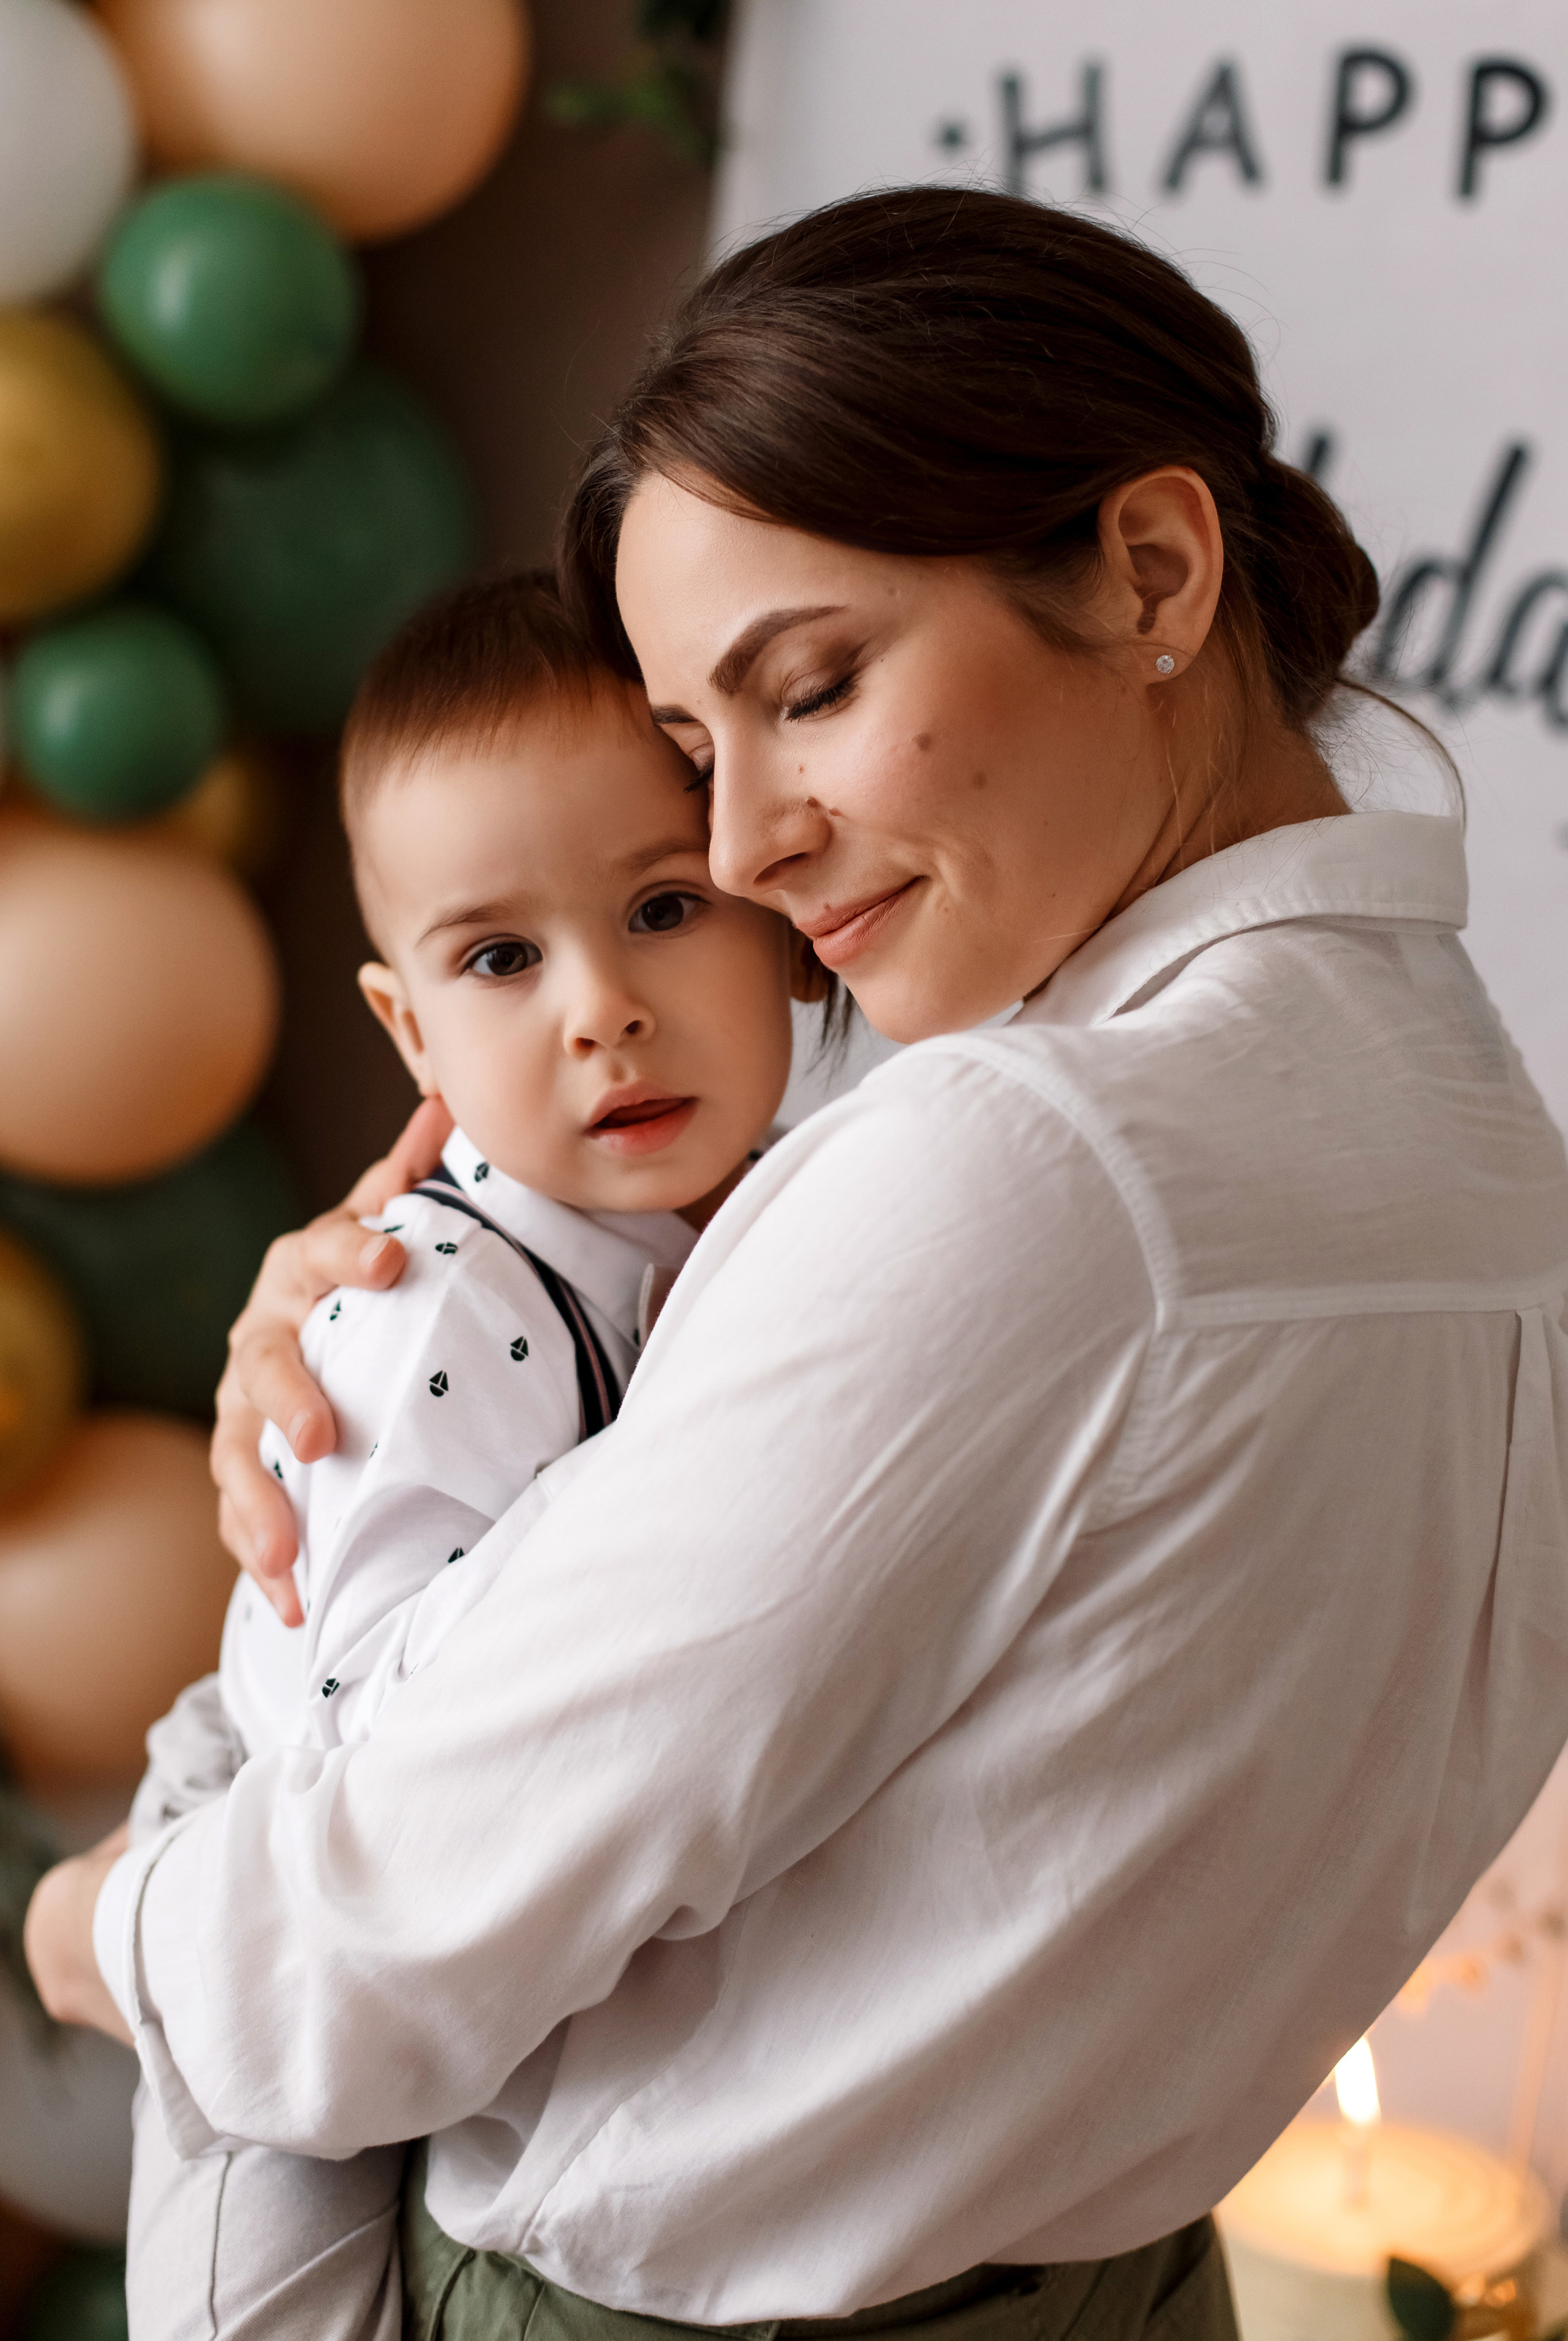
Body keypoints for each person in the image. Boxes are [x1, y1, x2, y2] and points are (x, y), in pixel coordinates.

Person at [28, 187, 1568, 2341]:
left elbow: (344, 1976)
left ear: (1153, 572)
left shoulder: (1025, 1170)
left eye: (813, 688)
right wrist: (457, 1323)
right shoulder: (1493, 1153)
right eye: (694, 754)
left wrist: (98, 1922)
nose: (742, 847)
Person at [121, 570, 802, 2341]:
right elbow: (369, 1759)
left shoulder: (763, 1221)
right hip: (273, 1857)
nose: (603, 1011)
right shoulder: (433, 1314)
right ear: (409, 1029)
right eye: (502, 958)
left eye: (667, 907)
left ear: (783, 918)